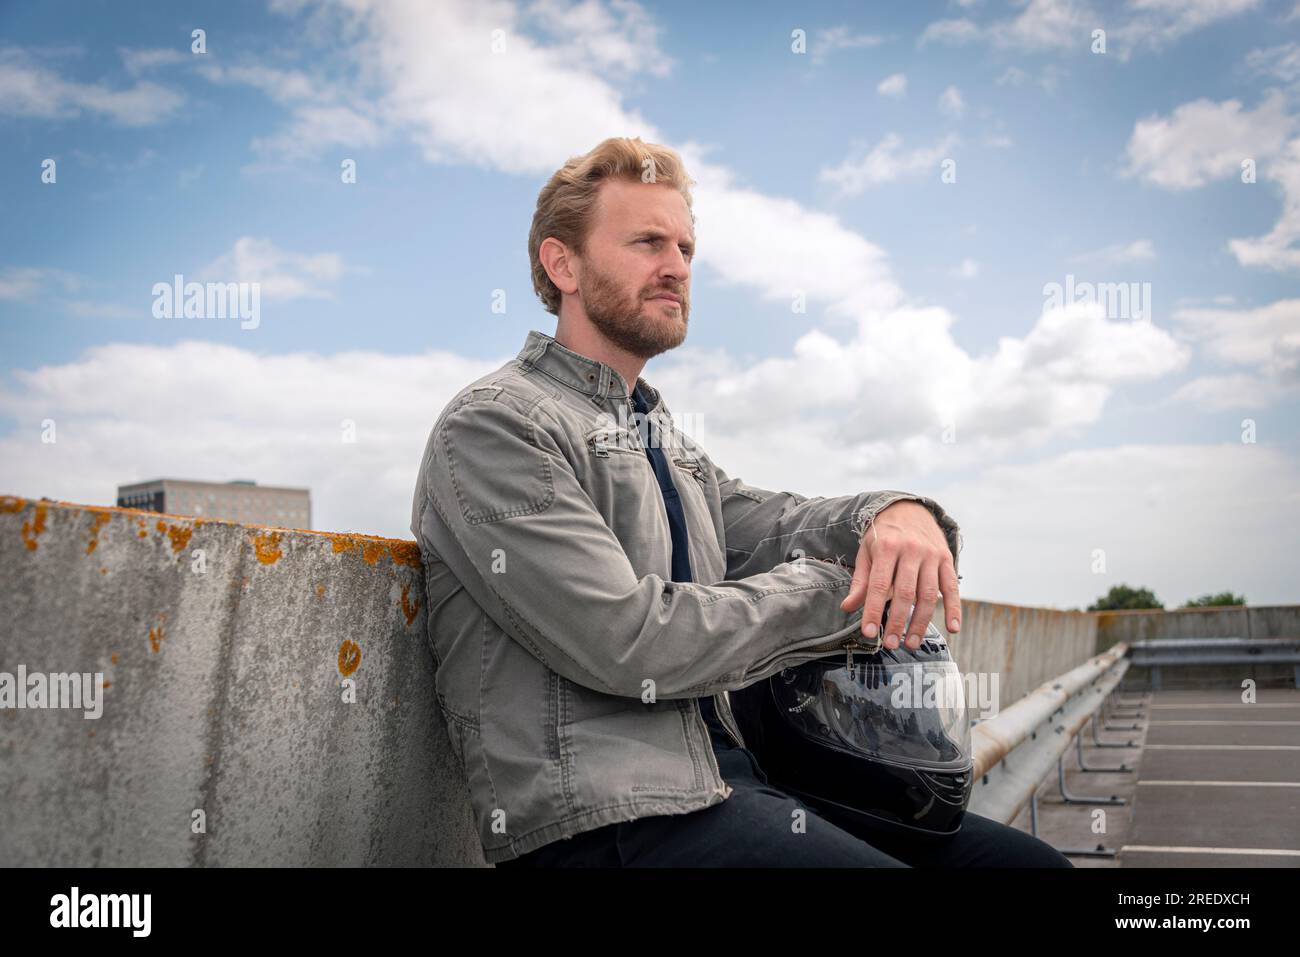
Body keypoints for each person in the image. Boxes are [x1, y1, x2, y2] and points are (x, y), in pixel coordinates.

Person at [411, 135, 1069, 867]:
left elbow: (778, 522)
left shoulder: (662, 440)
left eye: (687, 249)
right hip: (610, 822)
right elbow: (625, 636)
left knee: (1031, 869)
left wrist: (893, 515)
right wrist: (833, 595)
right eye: (648, 242)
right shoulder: (498, 423)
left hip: (735, 785)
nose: (677, 268)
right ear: (562, 263)